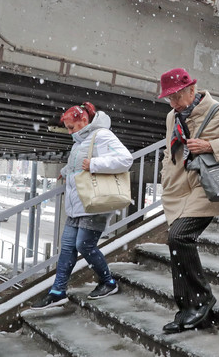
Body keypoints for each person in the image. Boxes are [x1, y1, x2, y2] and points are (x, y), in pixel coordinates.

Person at [157, 68, 219, 333]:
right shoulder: (171, 116)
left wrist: (211, 145)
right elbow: (169, 151)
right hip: (178, 189)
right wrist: (166, 177)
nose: (173, 104)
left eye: (176, 97)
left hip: (205, 187)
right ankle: (188, 308)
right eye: (169, 99)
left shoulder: (216, 112)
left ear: (191, 90)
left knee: (179, 237)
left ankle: (201, 300)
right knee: (176, 242)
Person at [31, 102, 133, 309]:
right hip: (79, 203)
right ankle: (58, 292)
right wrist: (67, 170)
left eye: (71, 127)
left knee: (83, 245)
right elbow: (80, 163)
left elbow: (125, 159)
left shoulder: (102, 135)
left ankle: (108, 281)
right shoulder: (80, 141)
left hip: (95, 203)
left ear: (84, 120)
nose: (69, 133)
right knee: (67, 247)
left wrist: (95, 165)